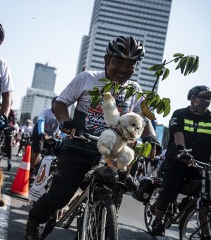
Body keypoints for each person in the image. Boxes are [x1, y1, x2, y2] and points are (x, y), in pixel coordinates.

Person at [25, 36, 162, 239]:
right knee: (59, 197)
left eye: (130, 64)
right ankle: (35, 219)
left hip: (113, 155)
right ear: (107, 60)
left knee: (115, 195)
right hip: (80, 147)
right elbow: (60, 103)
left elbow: (144, 119)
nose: (124, 68)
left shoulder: (135, 90)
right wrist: (65, 122)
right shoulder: (87, 78)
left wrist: (152, 139)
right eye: (118, 62)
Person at [151, 86, 211, 236]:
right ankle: (157, 220)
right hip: (178, 160)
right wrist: (182, 151)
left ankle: (205, 232)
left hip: (200, 165)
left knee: (205, 197)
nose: (205, 101)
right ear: (192, 98)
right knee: (168, 191)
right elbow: (178, 134)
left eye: (208, 98)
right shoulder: (180, 114)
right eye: (202, 97)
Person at [29, 97, 61, 182]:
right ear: (52, 104)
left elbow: (62, 127)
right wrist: (42, 133)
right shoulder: (45, 111)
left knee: (55, 151)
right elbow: (41, 122)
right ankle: (31, 171)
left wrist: (60, 134)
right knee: (38, 149)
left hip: (50, 135)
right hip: (40, 132)